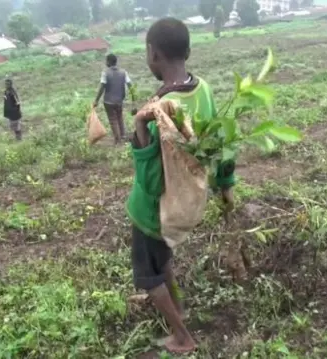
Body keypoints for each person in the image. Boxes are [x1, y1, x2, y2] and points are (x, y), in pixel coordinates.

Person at [127, 17, 235, 355]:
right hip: (185, 206)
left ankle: (182, 336)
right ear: (187, 51)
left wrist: (139, 127)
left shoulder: (160, 108)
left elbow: (152, 181)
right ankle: (180, 308)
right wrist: (225, 185)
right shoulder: (202, 90)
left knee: (148, 273)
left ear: (153, 54)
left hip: (153, 211)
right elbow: (220, 143)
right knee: (164, 259)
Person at [93, 53, 134, 144]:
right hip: (119, 100)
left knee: (113, 120)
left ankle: (118, 140)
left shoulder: (105, 73)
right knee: (119, 117)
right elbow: (130, 85)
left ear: (108, 62)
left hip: (108, 101)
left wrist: (96, 100)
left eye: (106, 61)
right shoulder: (124, 72)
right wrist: (133, 98)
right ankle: (122, 135)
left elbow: (102, 87)